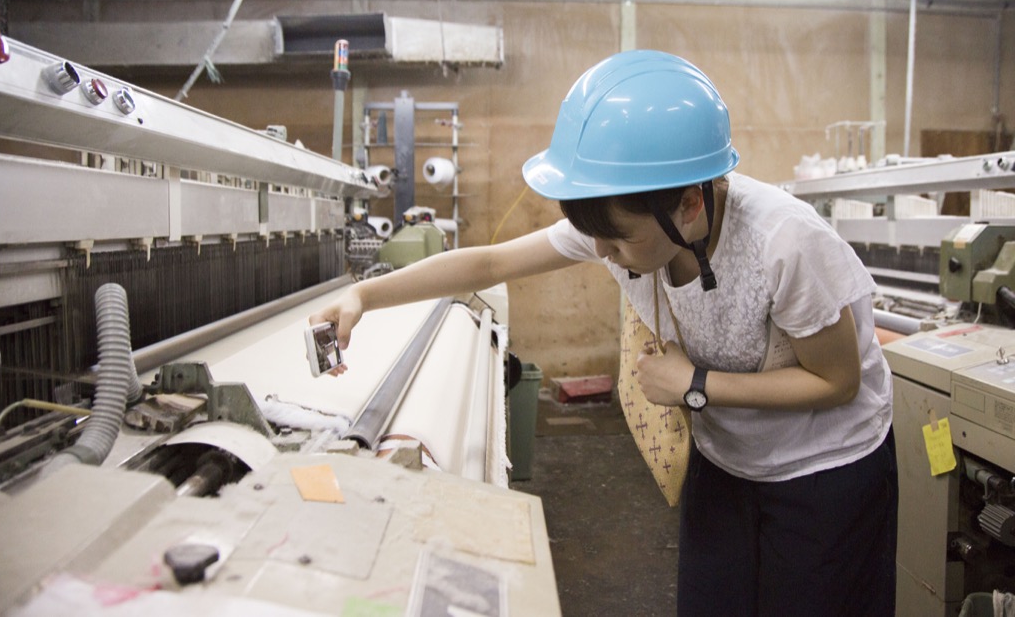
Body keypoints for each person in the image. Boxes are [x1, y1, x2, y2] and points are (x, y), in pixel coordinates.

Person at [310, 50, 898, 616]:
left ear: (690, 205)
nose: (603, 255)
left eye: (617, 241)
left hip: (825, 473)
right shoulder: (624, 222)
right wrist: (365, 294)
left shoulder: (784, 244)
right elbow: (489, 264)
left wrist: (695, 385)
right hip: (730, 459)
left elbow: (837, 380)